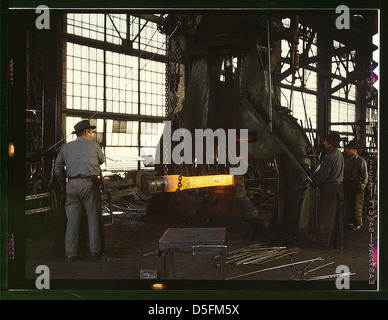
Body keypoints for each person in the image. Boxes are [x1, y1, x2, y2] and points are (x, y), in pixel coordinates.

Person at [54, 120, 105, 261]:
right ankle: (95, 252)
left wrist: (62, 184)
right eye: (91, 133)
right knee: (93, 218)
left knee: (72, 221)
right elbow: (101, 160)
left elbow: (57, 168)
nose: (92, 135)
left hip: (71, 185)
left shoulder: (65, 148)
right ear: (87, 132)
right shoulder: (94, 146)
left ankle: (70, 253)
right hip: (89, 185)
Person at [311, 131, 344, 249]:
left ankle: (324, 244)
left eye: (326, 141)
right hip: (339, 187)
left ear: (331, 144)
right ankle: (338, 244)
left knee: (326, 217)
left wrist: (314, 183)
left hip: (330, 188)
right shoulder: (339, 154)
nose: (324, 143)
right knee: (337, 217)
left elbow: (323, 175)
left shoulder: (330, 157)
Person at [343, 139, 368, 230]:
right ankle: (349, 222)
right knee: (348, 204)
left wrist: (362, 186)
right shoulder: (346, 160)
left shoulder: (361, 161)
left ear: (355, 150)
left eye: (349, 149)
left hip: (357, 184)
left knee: (357, 205)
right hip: (347, 184)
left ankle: (357, 223)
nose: (347, 150)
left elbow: (365, 175)